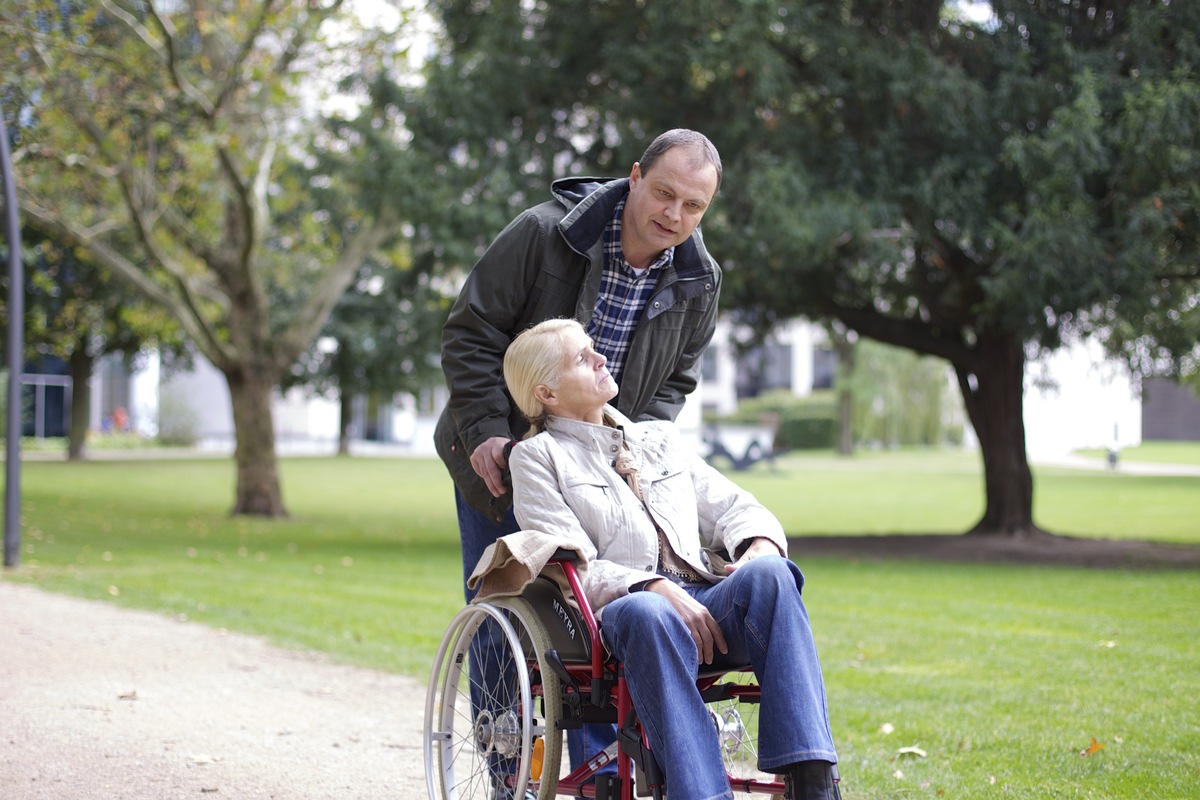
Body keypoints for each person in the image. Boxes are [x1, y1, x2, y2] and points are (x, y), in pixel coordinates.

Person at [434, 129, 724, 774]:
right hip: (504, 455)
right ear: (634, 177)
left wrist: (635, 457)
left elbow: (674, 383)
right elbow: (469, 333)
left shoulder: (700, 281)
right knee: (506, 602)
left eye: (694, 205)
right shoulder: (545, 236)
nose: (673, 215)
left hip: (602, 468)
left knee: (599, 610)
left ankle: (601, 770)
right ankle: (508, 759)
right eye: (664, 193)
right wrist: (485, 432)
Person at [502, 319, 841, 800]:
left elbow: (737, 507)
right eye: (581, 358)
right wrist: (650, 585)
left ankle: (811, 781)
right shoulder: (537, 458)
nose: (600, 358)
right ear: (547, 393)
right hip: (623, 615)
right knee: (649, 610)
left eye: (594, 349)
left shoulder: (658, 439)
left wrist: (759, 545)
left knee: (771, 573)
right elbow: (572, 564)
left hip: (706, 602)